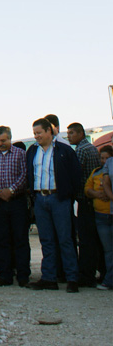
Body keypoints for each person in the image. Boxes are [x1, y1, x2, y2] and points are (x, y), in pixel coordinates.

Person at [26, 118, 81, 293]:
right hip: (41, 199)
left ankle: (72, 278)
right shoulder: (32, 151)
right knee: (46, 240)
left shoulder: (64, 150)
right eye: (34, 134)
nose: (36, 136)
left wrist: (68, 196)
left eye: (39, 133)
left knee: (65, 239)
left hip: (59, 198)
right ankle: (49, 278)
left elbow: (75, 176)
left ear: (49, 131)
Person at [0, 126, 30, 287]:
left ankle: (23, 275)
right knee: (1, 239)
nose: (0, 143)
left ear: (10, 138)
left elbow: (25, 175)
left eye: (3, 140)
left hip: (17, 201)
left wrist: (11, 190)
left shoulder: (20, 154)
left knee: (20, 239)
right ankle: (5, 274)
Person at [67, 122, 101, 287]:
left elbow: (75, 173)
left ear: (80, 133)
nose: (69, 136)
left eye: (72, 133)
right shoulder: (92, 148)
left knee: (86, 239)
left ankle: (86, 274)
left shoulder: (81, 150)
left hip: (85, 199)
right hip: (93, 200)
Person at [85, 145, 113, 290]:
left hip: (110, 213)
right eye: (102, 158)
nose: (104, 161)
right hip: (100, 216)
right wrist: (96, 194)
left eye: (107, 158)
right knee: (107, 251)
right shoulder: (96, 173)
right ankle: (107, 278)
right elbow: (87, 188)